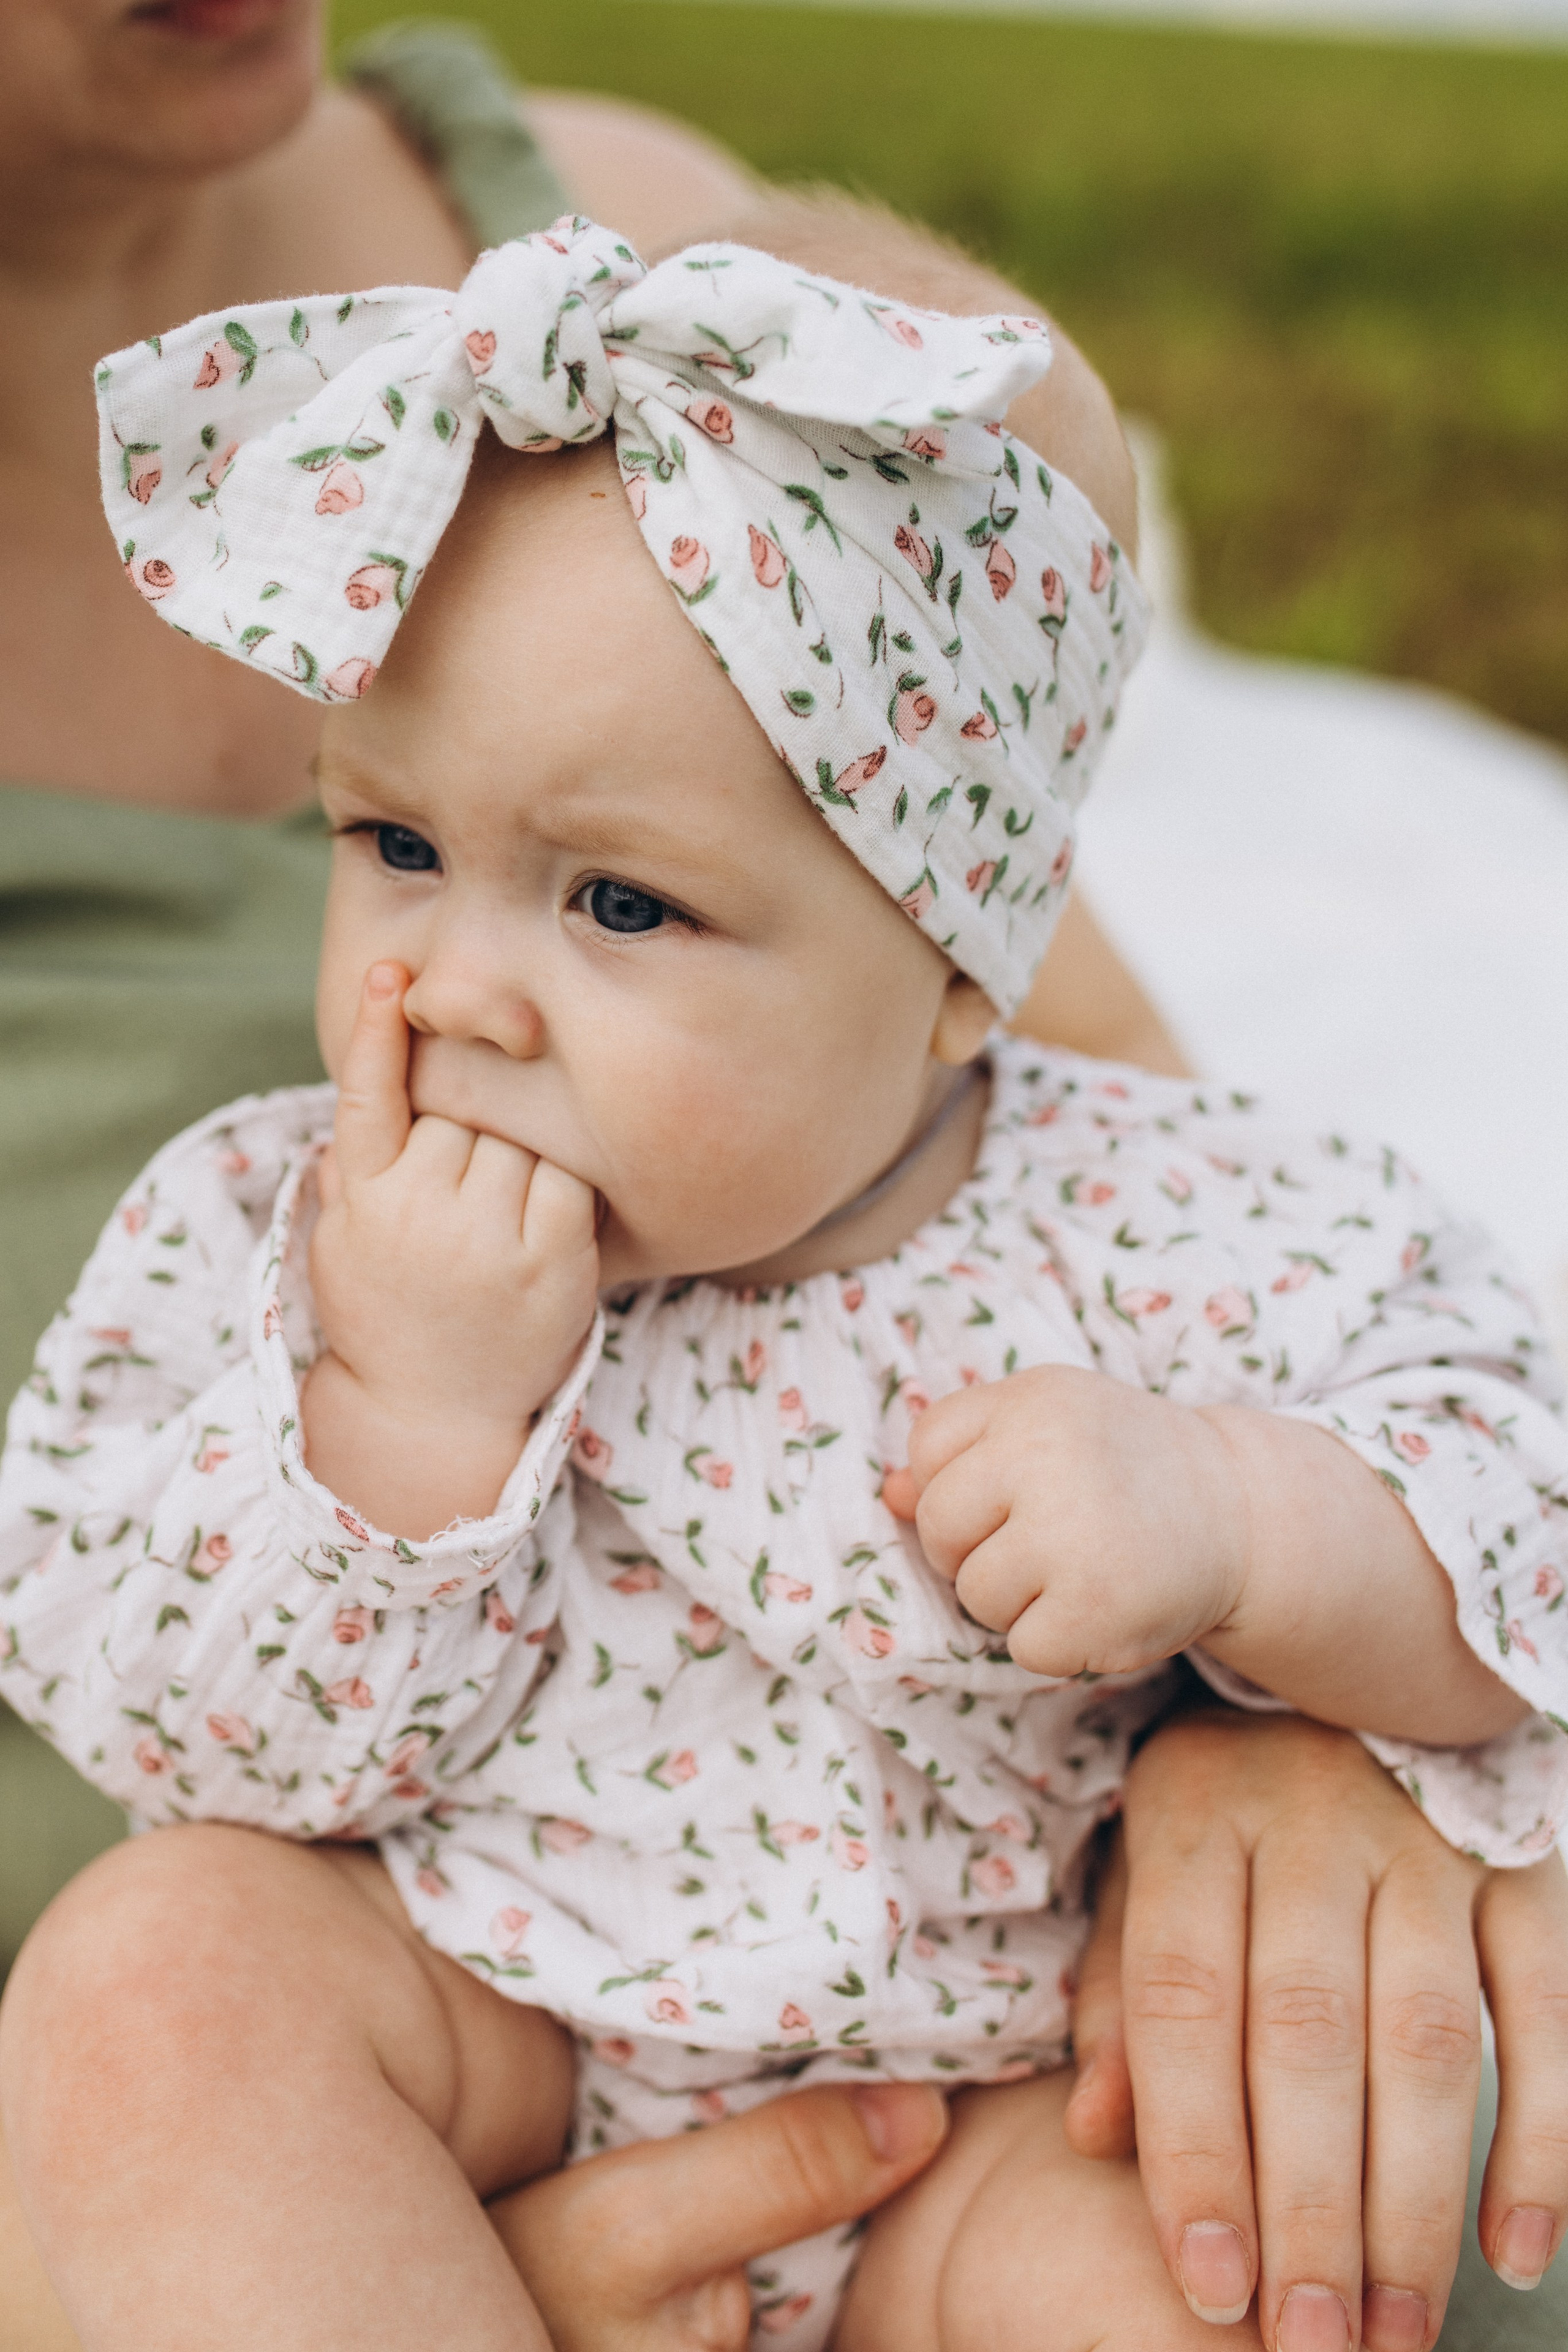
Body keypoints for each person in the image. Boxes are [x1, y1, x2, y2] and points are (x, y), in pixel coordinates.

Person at [0, 8, 1564, 2349]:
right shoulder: (275, 1240)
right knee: (157, 1984)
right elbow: (152, 1727)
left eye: (620, 904)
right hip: (481, 2030)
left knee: (1212, 2272)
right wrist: (396, 1435)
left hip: (992, 2094)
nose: (459, 990)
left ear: (951, 977)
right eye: (394, 845)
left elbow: (1518, 1509)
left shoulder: (1156, 1210)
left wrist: (1254, 1528)